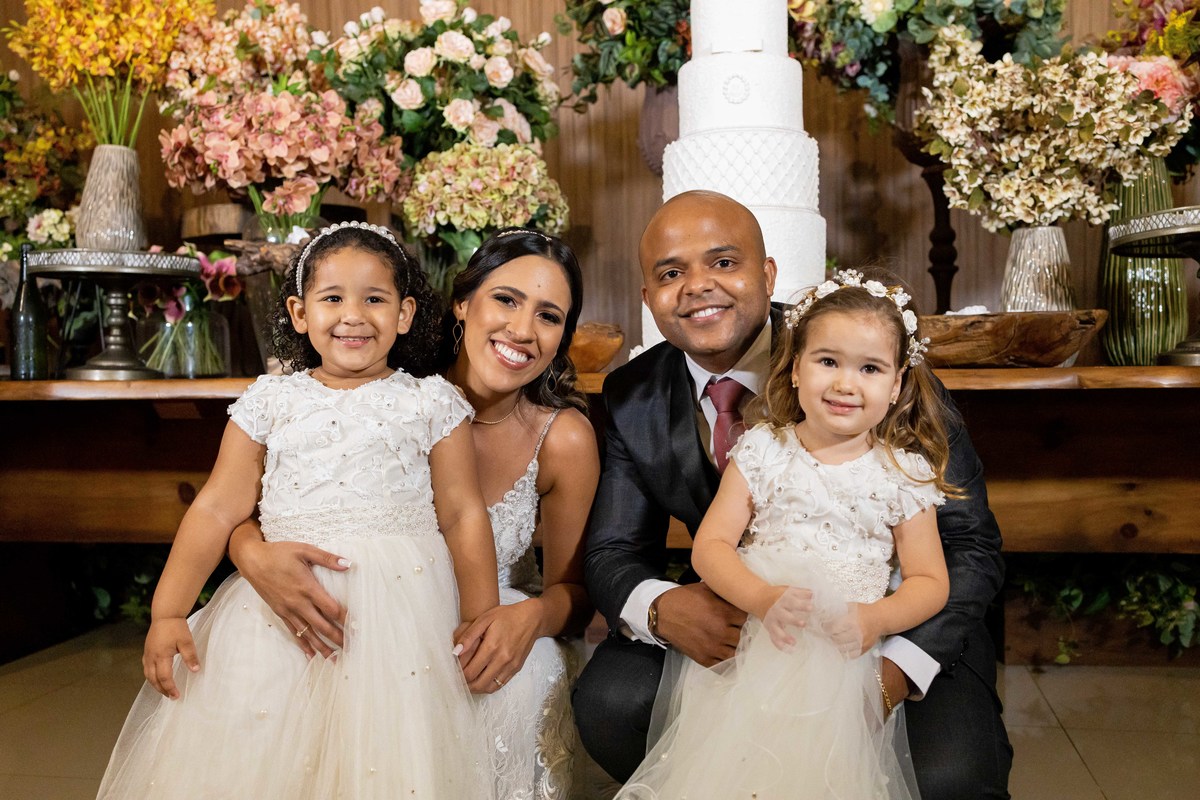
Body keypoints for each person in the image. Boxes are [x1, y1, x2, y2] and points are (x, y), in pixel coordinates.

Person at [574, 190, 1012, 800]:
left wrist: (895, 666)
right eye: (672, 274)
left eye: (724, 262)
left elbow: (971, 547)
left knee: (948, 781)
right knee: (612, 705)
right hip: (753, 615)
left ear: (768, 274)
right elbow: (613, 549)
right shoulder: (633, 393)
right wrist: (662, 608)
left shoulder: (865, 350)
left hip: (890, 621)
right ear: (649, 298)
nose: (698, 285)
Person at [98, 221, 500, 799]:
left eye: (375, 299)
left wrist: (481, 617)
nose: (353, 315)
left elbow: (462, 514)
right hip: (272, 618)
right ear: (299, 312)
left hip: (402, 613)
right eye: (332, 298)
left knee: (385, 751)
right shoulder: (271, 400)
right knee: (265, 744)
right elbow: (216, 508)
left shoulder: (431, 401)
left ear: (405, 313)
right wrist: (168, 612)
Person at [227, 228, 600, 799]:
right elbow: (262, 500)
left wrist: (530, 617)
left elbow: (575, 594)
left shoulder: (564, 438)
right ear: (462, 303)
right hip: (356, 611)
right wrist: (250, 553)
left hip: (481, 623)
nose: (522, 330)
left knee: (511, 680)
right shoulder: (380, 387)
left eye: (548, 316)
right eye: (506, 299)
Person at [616, 268, 952, 799]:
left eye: (869, 368)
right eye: (827, 361)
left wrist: (876, 619)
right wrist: (761, 598)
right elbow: (711, 547)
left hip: (844, 653)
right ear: (796, 369)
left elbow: (930, 580)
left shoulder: (903, 474)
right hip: (758, 645)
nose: (845, 384)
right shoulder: (762, 450)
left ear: (896, 386)